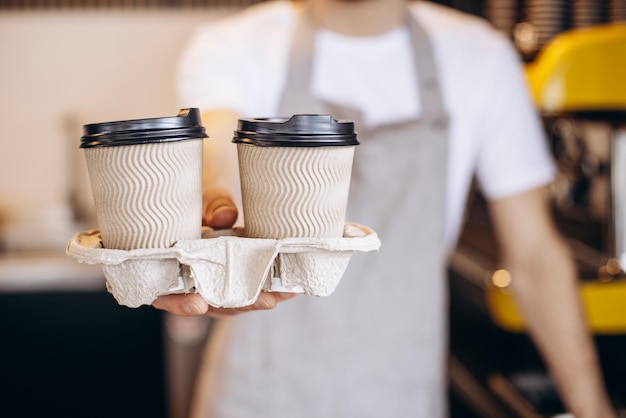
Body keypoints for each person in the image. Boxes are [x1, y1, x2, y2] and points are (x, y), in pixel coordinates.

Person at [153, 0, 616, 416]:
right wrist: (212, 205)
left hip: (401, 395)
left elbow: (535, 255)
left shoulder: (479, 56)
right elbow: (215, 152)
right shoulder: (234, 46)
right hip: (258, 394)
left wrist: (593, 410)